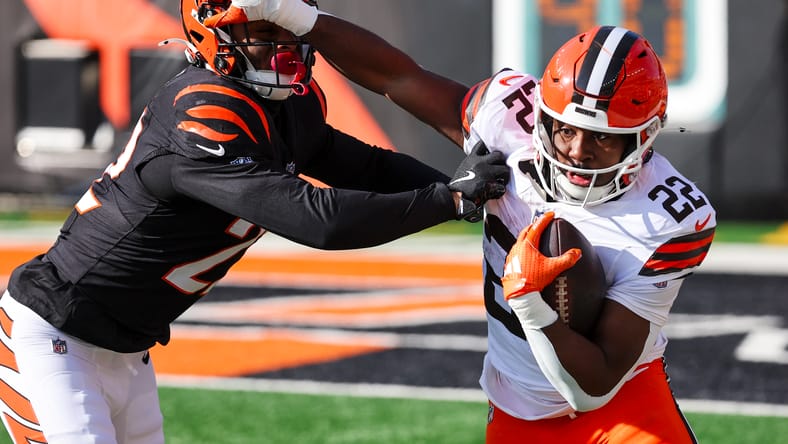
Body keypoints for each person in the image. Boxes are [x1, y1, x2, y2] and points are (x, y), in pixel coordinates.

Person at [0, 1, 510, 443]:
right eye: (265, 34)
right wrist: (448, 201)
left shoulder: (288, 106)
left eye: (290, 32)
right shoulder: (202, 111)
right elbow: (320, 221)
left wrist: (473, 190)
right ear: (210, 31)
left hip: (127, 351)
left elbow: (371, 168)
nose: (283, 48)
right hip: (55, 335)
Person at [211, 2, 719, 443]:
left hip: (622, 405)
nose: (577, 151)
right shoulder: (509, 120)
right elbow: (398, 77)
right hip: (519, 409)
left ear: (643, 140)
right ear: (540, 112)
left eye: (602, 138)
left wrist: (531, 306)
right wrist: (301, 20)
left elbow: (595, 387)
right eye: (564, 128)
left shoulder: (672, 217)